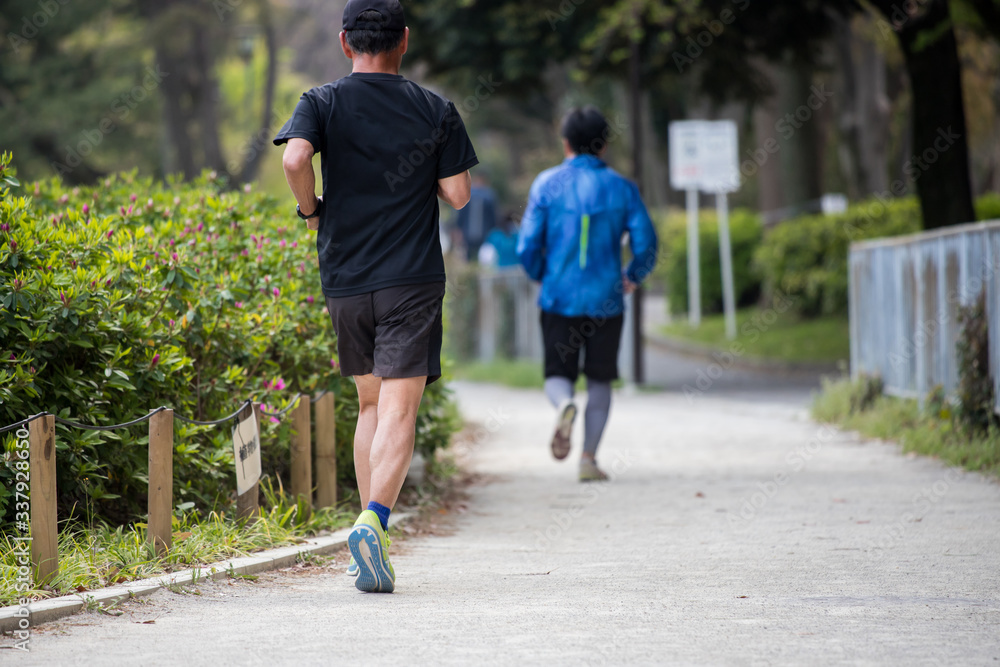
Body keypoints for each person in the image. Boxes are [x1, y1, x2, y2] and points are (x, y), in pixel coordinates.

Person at [273, 0, 478, 593]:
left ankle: (369, 538)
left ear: (345, 42)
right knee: (399, 409)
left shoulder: (321, 101)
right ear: (404, 40)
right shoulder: (434, 108)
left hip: (345, 278)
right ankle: (374, 521)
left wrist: (311, 210)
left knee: (369, 405)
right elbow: (459, 195)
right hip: (410, 278)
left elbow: (294, 157)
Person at [517, 106, 657, 482]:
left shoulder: (546, 184)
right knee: (599, 379)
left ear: (565, 143)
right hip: (606, 299)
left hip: (558, 296)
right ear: (604, 145)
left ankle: (565, 404)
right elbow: (646, 242)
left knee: (557, 373)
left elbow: (527, 243)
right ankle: (588, 459)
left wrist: (540, 274)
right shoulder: (622, 187)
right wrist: (633, 275)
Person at [454, 172, 497, 261]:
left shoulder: (467, 194)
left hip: (468, 233)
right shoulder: (489, 195)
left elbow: (459, 215)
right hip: (484, 234)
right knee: (483, 260)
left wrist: (458, 229)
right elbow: (493, 217)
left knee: (469, 259)